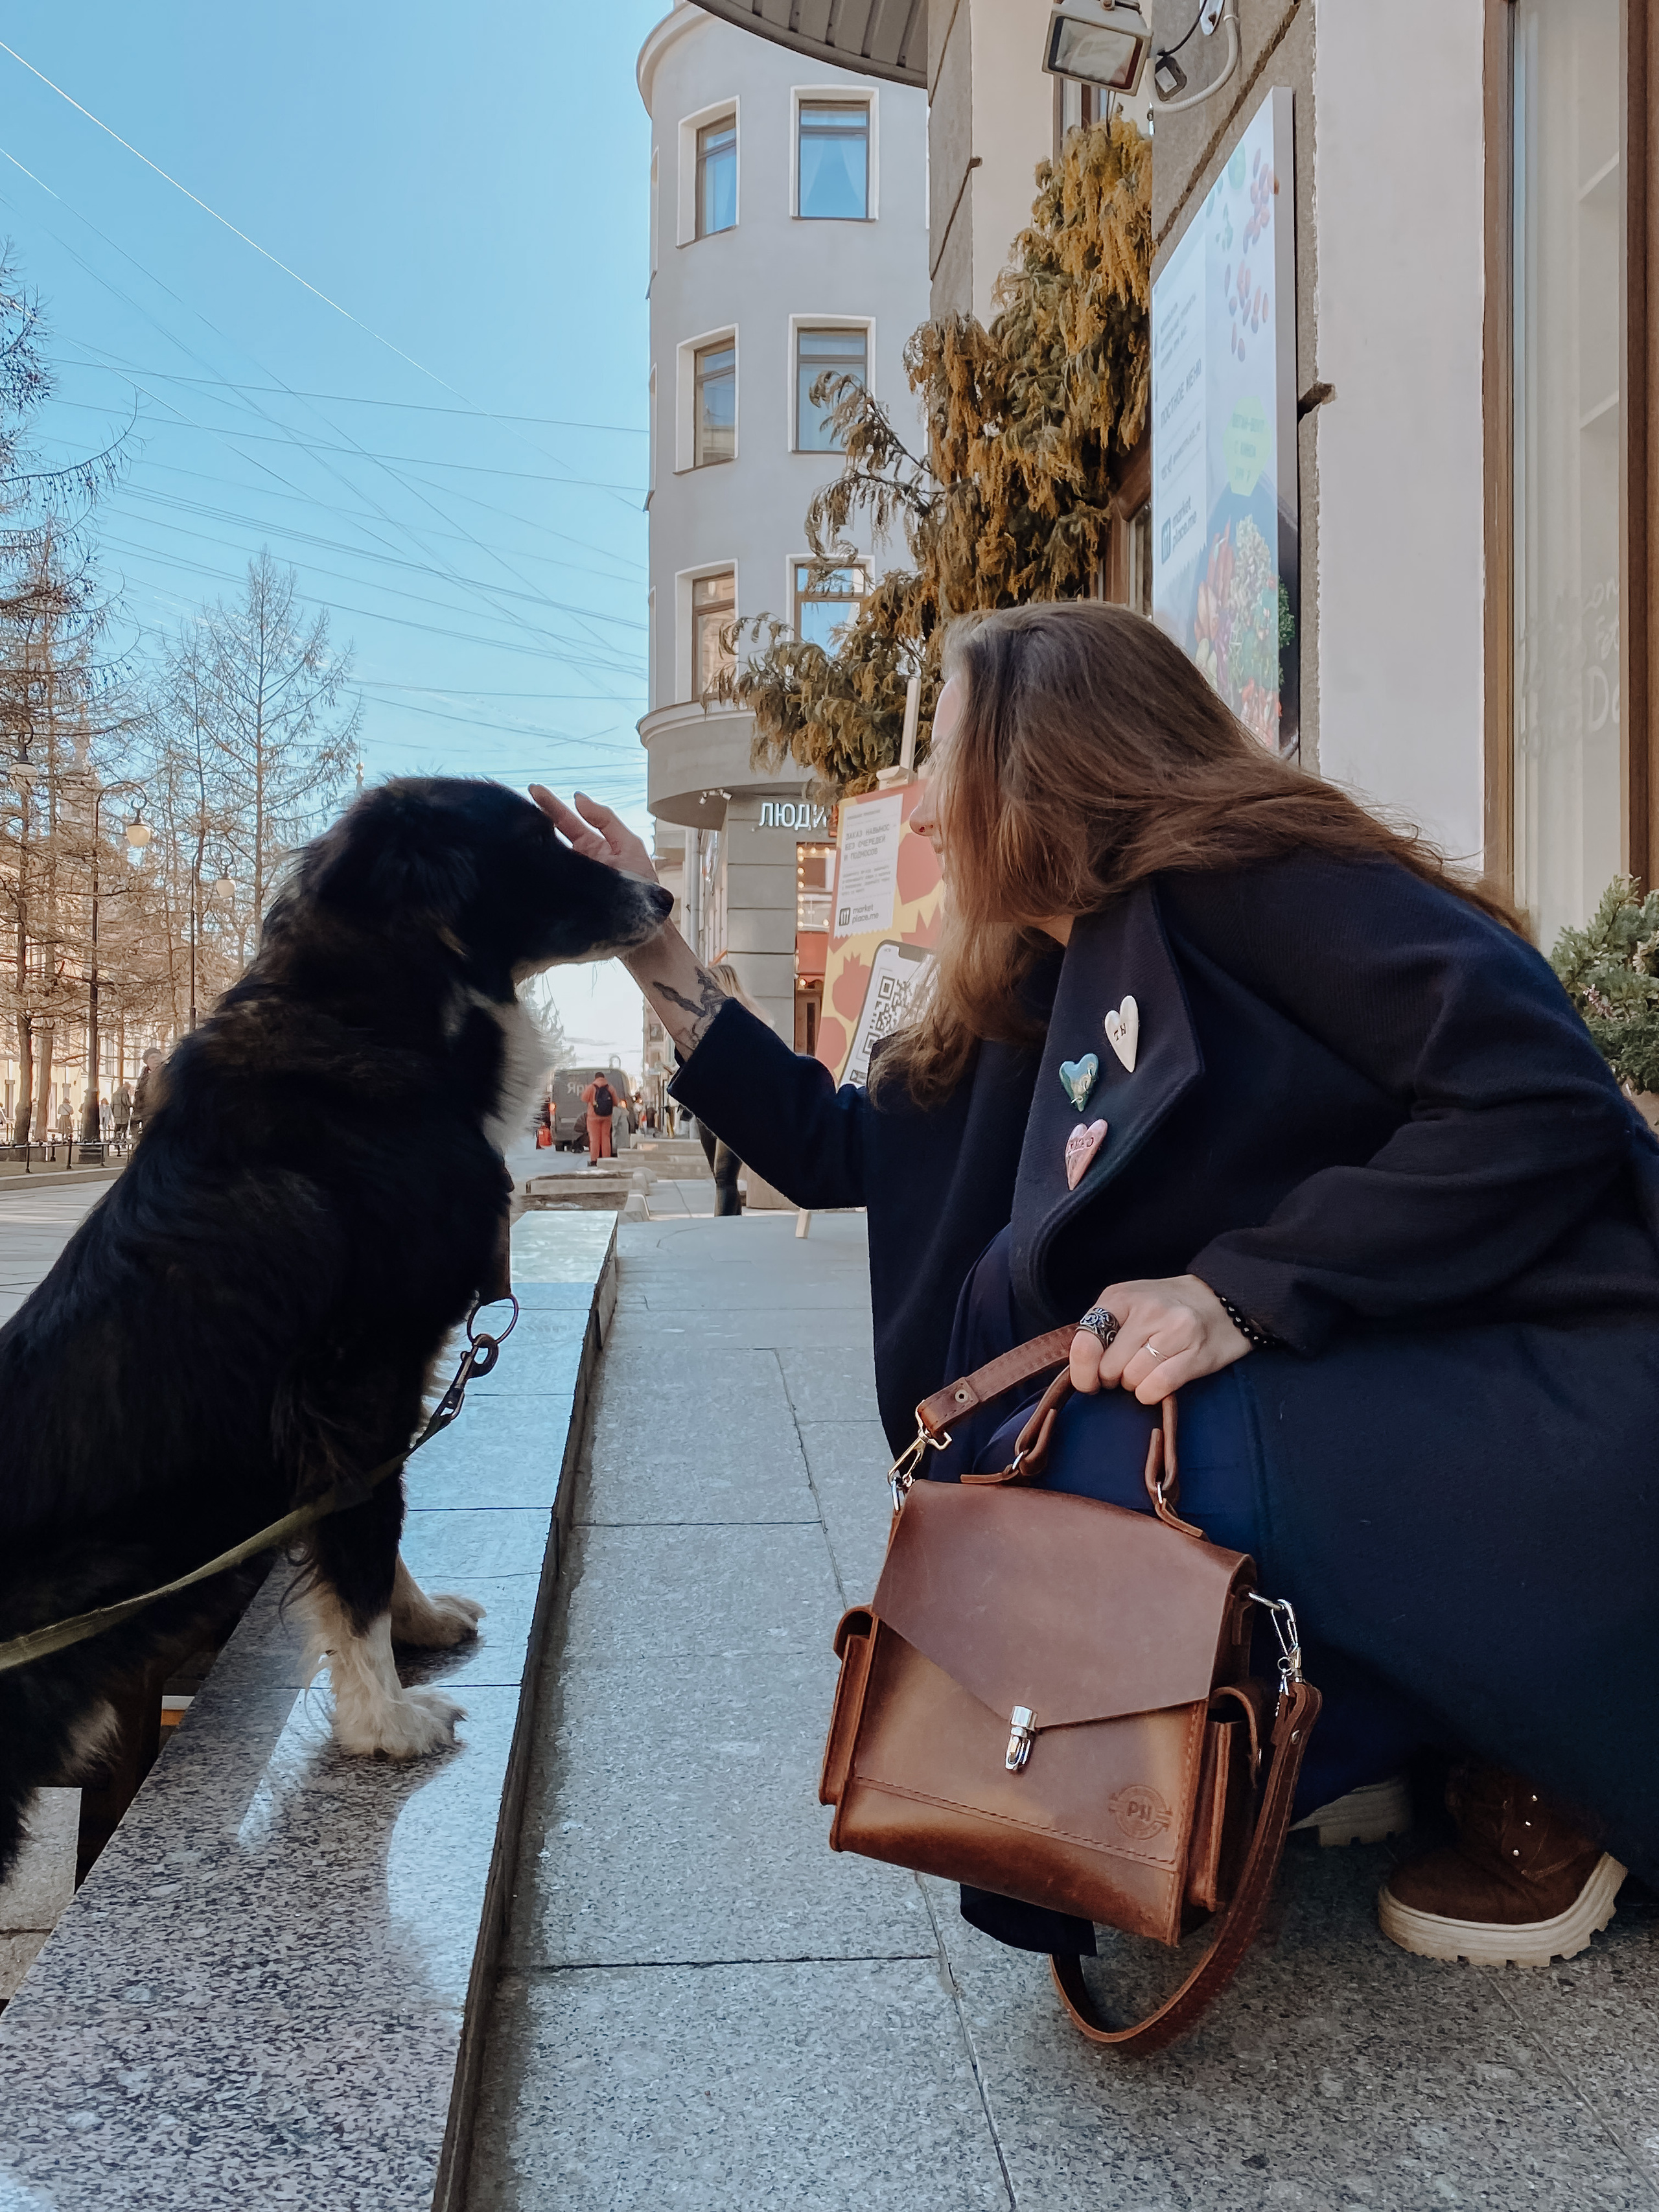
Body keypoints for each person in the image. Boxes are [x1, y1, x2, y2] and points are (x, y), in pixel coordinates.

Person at [533, 602, 1659, 1974]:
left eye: (945, 752)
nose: (927, 805)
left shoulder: (1254, 872)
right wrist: (659, 953)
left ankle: (1543, 1758)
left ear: (1042, 755)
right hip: (1372, 1377)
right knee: (1053, 1462)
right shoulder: (1038, 965)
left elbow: (1539, 1096)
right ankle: (1353, 1730)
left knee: (1112, 1463)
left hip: (1552, 1378)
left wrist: (1232, 1290)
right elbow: (837, 1142)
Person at [580, 1069, 616, 1165]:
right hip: (607, 1117)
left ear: (595, 1078)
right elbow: (616, 1102)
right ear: (604, 1078)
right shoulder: (610, 1088)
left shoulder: (591, 1087)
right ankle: (606, 1159)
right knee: (606, 1137)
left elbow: (584, 1098)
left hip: (593, 1117)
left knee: (594, 1139)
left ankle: (594, 1160)